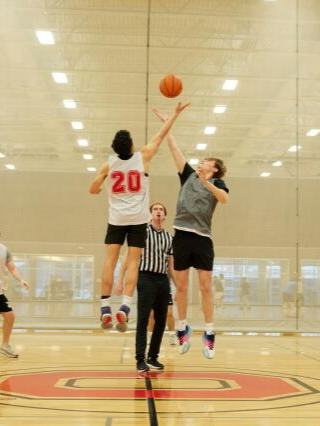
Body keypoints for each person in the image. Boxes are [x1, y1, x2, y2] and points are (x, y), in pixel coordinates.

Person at [89, 102, 189, 332]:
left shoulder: (109, 165)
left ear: (115, 149)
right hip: (137, 219)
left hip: (116, 219)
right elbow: (161, 136)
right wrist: (173, 115)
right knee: (133, 262)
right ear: (131, 145)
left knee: (110, 262)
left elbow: (93, 190)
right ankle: (124, 307)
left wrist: (102, 179)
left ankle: (105, 308)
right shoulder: (143, 156)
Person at [152, 109, 229, 359]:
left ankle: (209, 333)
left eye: (207, 162)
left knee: (206, 287)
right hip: (182, 236)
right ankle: (183, 328)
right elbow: (174, 150)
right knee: (182, 288)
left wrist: (206, 182)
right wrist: (167, 124)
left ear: (214, 169)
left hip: (203, 239)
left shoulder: (216, 183)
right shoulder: (187, 175)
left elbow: (224, 200)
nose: (202, 162)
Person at [115, 202, 176, 373]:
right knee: (143, 319)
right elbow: (127, 259)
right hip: (145, 278)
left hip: (163, 280)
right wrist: (120, 281)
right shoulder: (142, 234)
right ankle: (140, 359)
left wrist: (180, 288)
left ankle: (153, 357)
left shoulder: (169, 238)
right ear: (150, 215)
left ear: (164, 216)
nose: (158, 212)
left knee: (161, 321)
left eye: (161, 210)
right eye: (155, 209)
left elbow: (171, 266)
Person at [0, 230, 29, 358]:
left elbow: (12, 268)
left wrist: (21, 279)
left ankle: (5, 346)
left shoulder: (4, 250)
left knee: (10, 316)